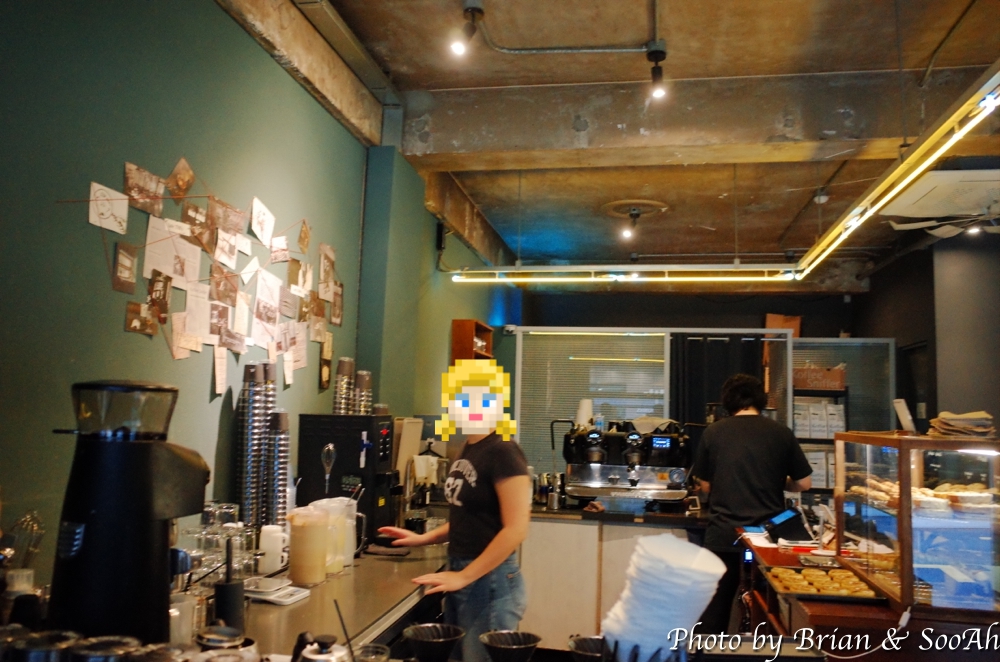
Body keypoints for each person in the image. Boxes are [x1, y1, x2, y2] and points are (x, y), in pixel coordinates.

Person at [379, 360, 531, 662]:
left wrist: (464, 577)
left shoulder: (503, 450)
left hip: (490, 581)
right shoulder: (469, 447)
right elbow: (469, 518)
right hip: (464, 572)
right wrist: (423, 539)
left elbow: (516, 529)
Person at [691, 373, 812, 633]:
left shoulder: (713, 432)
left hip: (724, 534)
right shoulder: (781, 433)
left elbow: (705, 486)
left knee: (713, 611)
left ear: (727, 401)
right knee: (767, 611)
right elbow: (804, 483)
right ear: (761, 400)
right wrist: (777, 482)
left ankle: (706, 651)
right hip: (766, 539)